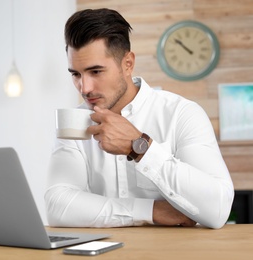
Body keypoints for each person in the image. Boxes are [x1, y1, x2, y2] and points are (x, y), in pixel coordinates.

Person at [45, 8, 234, 229]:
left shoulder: (182, 114)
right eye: (75, 74)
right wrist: (151, 211)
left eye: (96, 72)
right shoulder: (75, 122)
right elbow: (57, 206)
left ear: (128, 64)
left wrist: (139, 148)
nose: (84, 88)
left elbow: (218, 209)